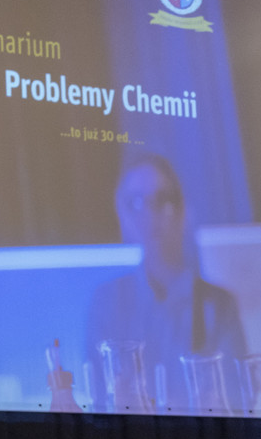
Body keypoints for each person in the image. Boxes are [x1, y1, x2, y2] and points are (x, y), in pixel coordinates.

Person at [84, 153, 246, 412]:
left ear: (183, 211)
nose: (150, 213)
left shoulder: (219, 305)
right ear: (122, 215)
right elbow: (100, 400)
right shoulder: (106, 303)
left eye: (162, 199)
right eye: (136, 203)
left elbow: (235, 401)